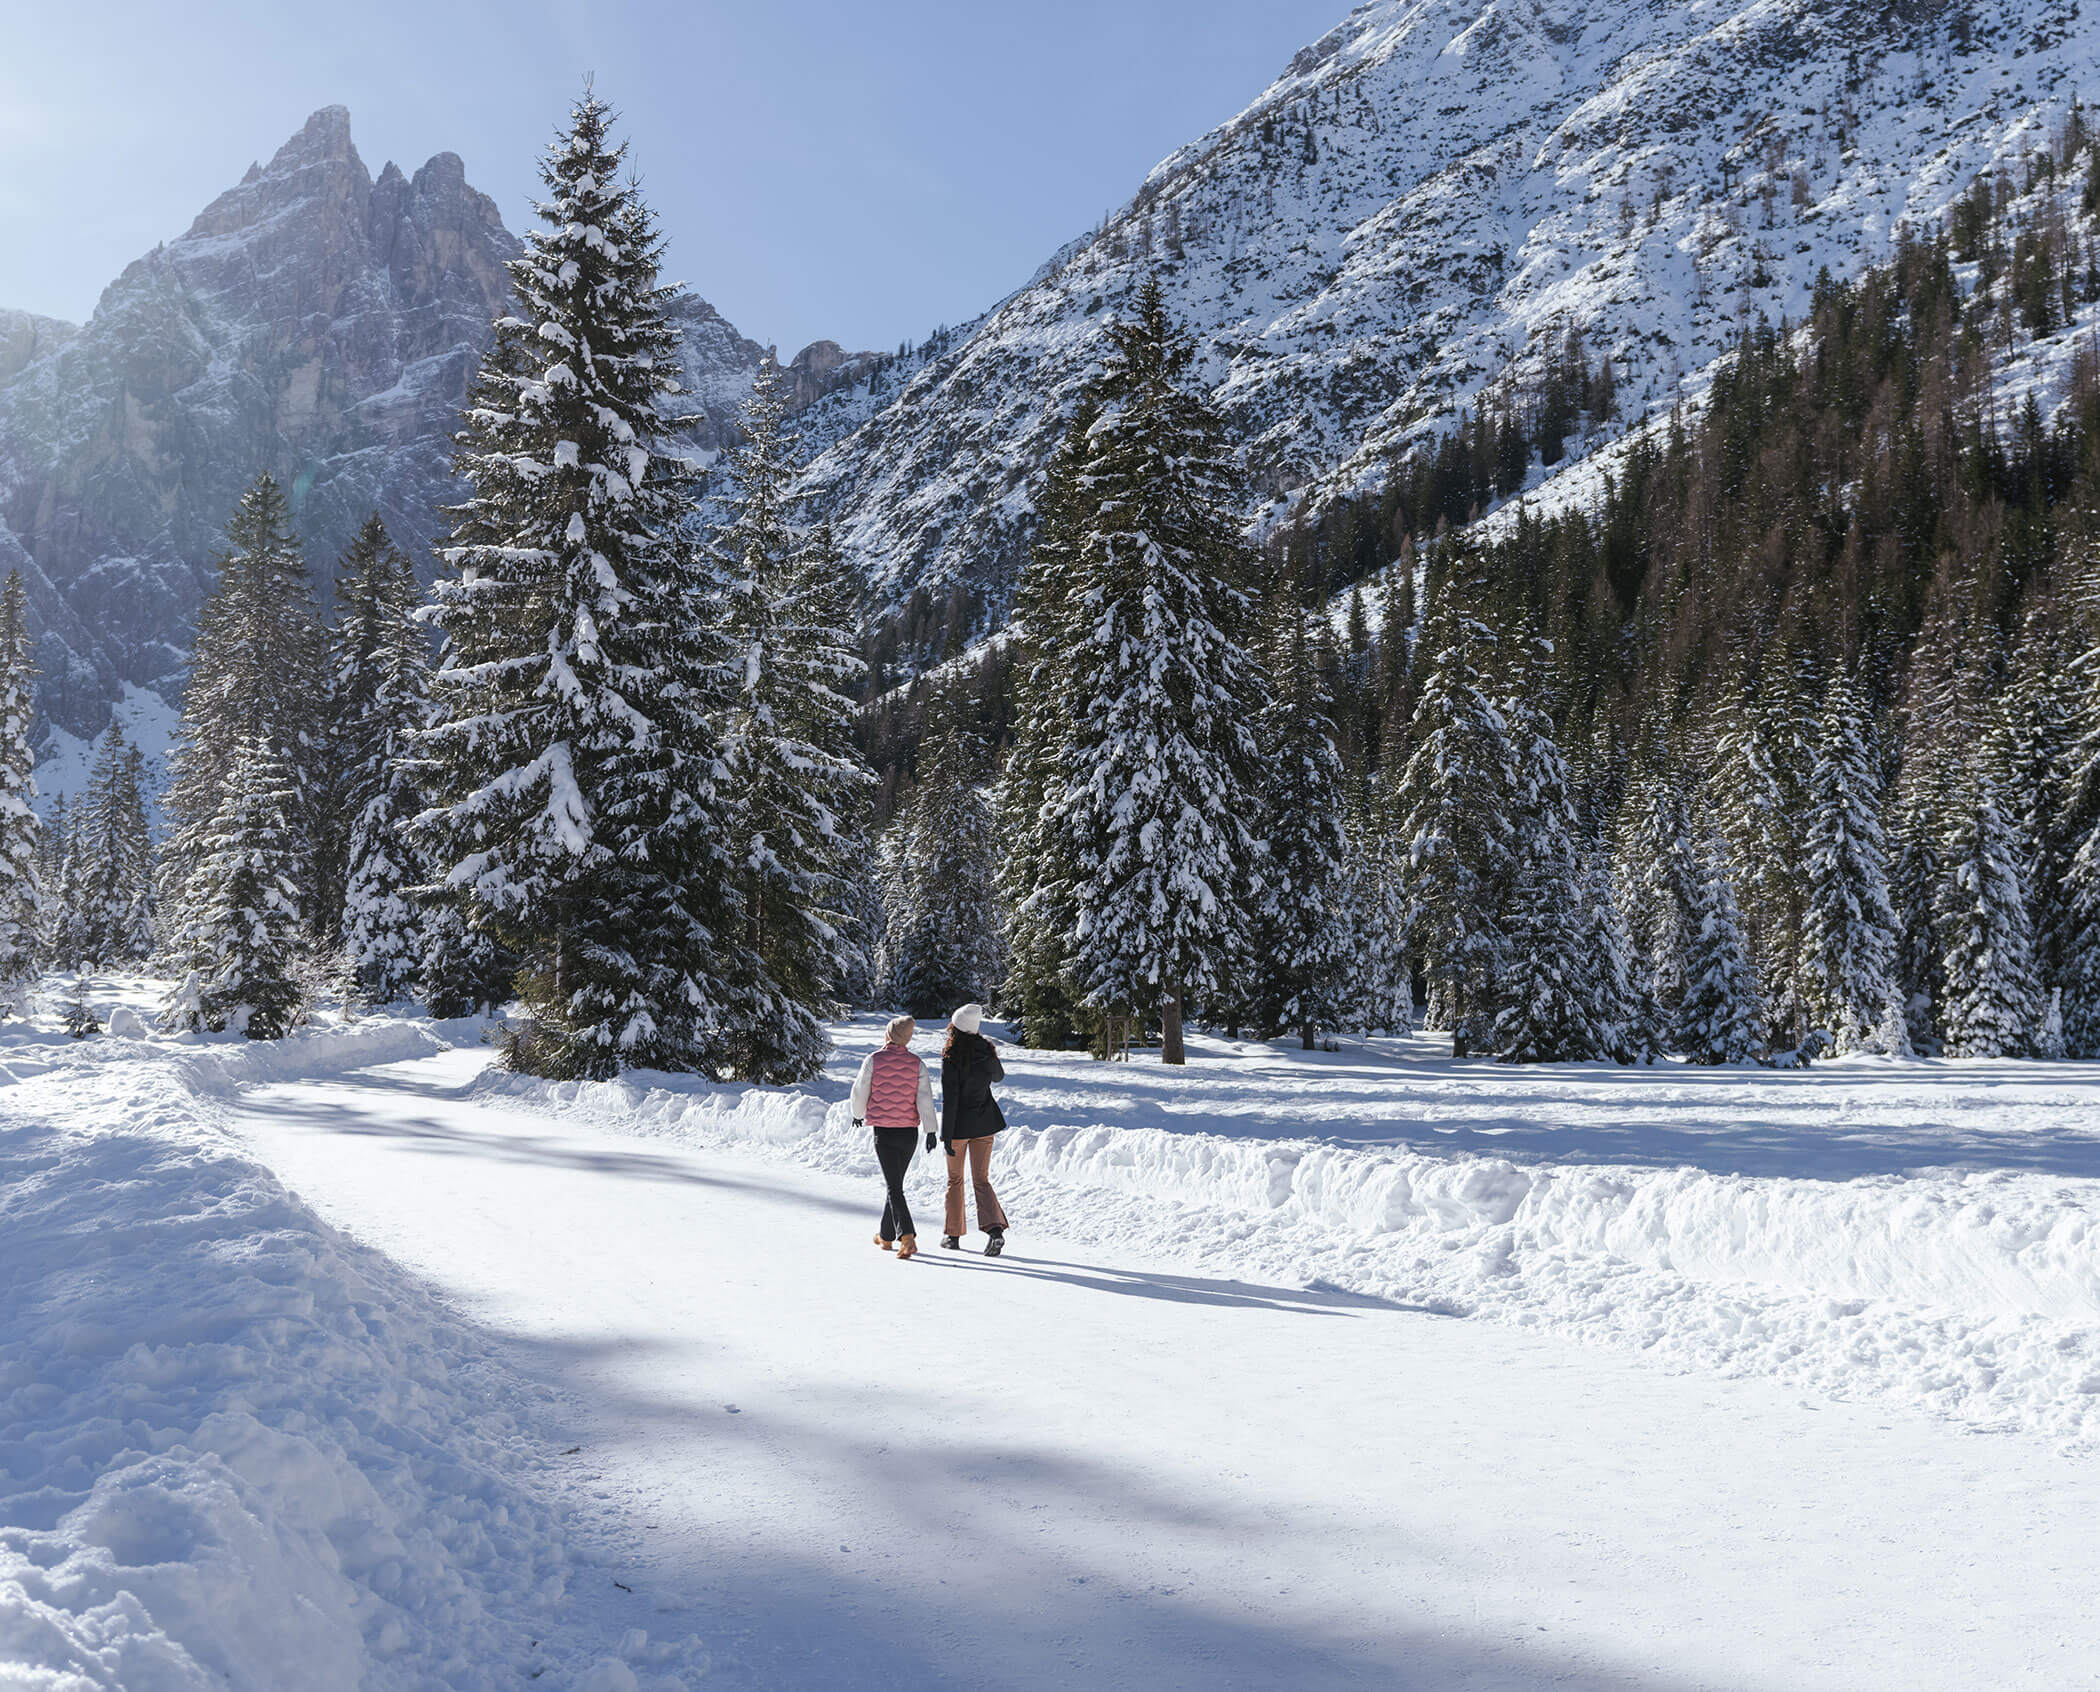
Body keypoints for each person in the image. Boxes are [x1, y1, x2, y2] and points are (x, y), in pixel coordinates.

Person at [849, 1014, 935, 1260]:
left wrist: (857, 1113)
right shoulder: (917, 1063)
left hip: (885, 1131)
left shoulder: (874, 1060)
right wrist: (930, 1129)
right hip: (909, 1133)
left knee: (894, 1186)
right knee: (895, 1184)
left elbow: (860, 1089)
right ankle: (885, 1236)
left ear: (889, 1035)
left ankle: (907, 1237)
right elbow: (925, 1099)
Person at [939, 1003, 1010, 1255]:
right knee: (982, 1179)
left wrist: (945, 1134)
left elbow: (950, 1100)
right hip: (984, 1125)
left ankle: (953, 1235)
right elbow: (999, 1076)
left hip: (959, 1128)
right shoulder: (986, 1051)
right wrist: (990, 1053)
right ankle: (995, 1231)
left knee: (955, 1180)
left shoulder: (951, 1056)